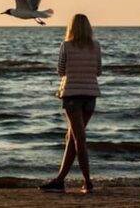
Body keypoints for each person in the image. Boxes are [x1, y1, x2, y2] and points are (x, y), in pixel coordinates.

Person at [39, 13, 102, 194]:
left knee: (78, 139)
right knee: (72, 138)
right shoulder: (95, 46)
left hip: (72, 95)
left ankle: (87, 181)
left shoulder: (66, 46)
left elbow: (60, 71)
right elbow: (98, 71)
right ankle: (60, 180)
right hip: (90, 95)